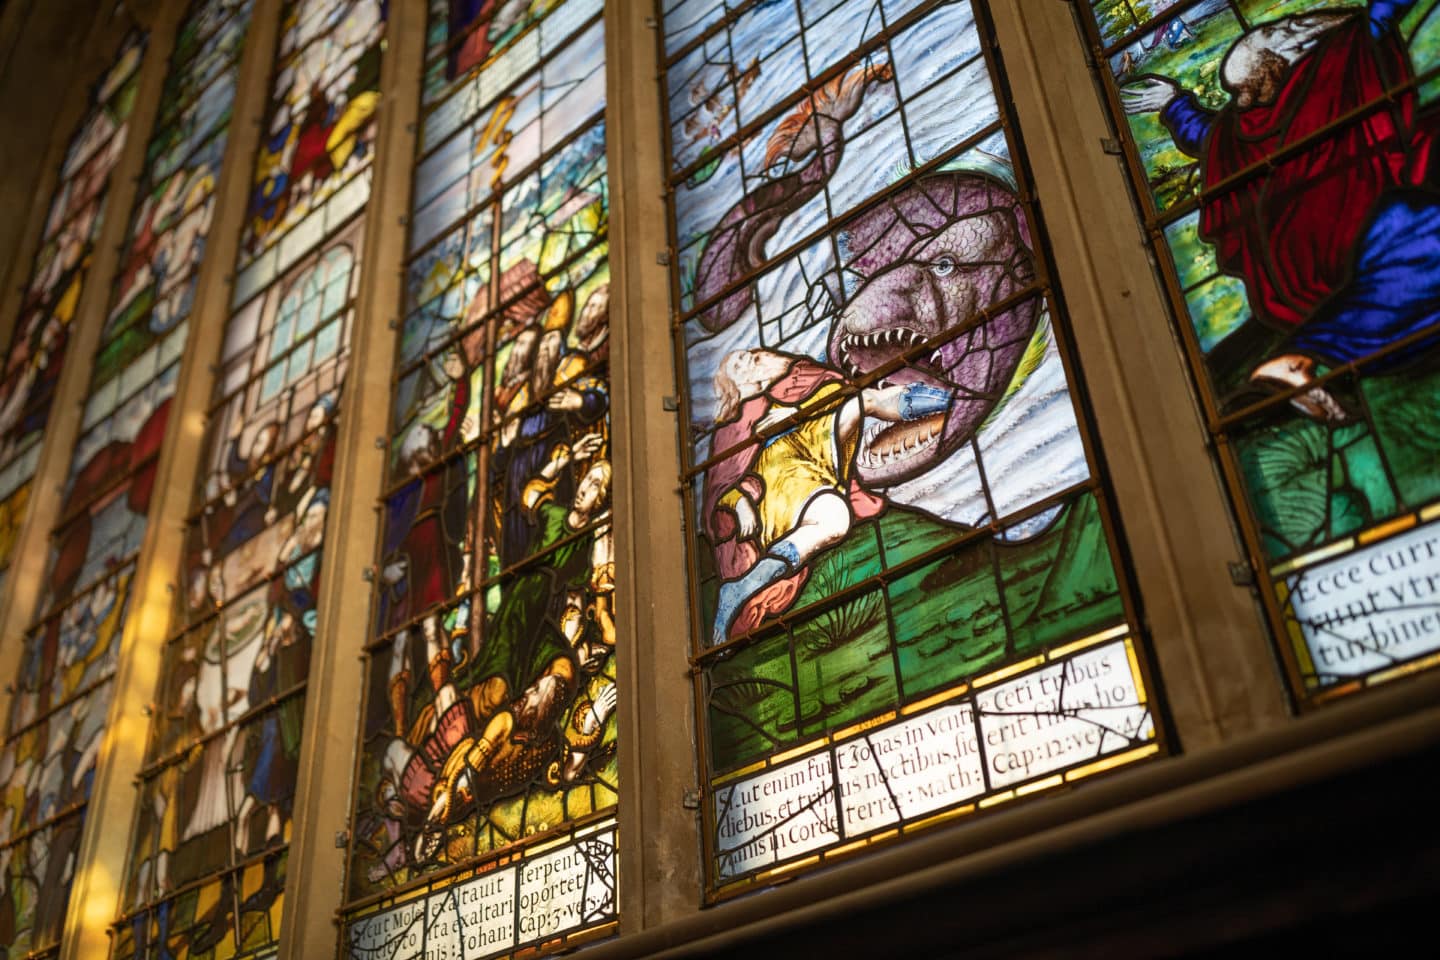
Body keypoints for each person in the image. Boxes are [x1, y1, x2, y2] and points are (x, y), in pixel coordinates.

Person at [1121, 0, 1440, 420]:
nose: (1246, 99)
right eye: (1241, 93)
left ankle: (1308, 362)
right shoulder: (1335, 64)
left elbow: (1209, 137)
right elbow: (1215, 137)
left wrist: (1175, 105)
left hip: (1316, 255)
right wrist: (1175, 105)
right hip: (1357, 234)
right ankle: (1305, 359)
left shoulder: (1299, 92)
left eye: (1252, 86)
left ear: (1279, 66)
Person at [704, 349, 950, 645]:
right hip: (781, 467)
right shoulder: (734, 426)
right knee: (835, 520)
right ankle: (744, 587)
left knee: (865, 400)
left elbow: (836, 388)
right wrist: (738, 501)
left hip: (816, 442)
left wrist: (794, 411)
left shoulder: (800, 382)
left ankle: (952, 399)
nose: (749, 358)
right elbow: (722, 483)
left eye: (749, 354)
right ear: (737, 383)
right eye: (739, 364)